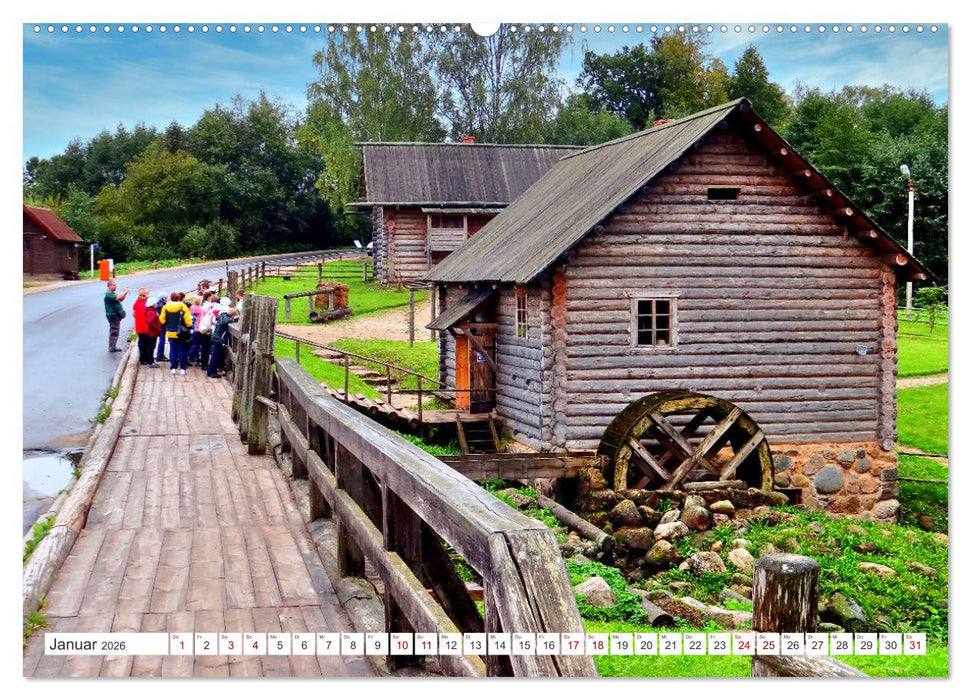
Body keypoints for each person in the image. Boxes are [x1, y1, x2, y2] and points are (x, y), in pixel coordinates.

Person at [159, 292, 193, 375]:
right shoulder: (182, 306)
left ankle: (173, 368)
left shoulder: (165, 307)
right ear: (178, 298)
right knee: (182, 350)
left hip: (170, 331)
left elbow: (162, 320)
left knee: (172, 350)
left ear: (171, 298)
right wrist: (189, 325)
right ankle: (182, 368)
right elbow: (188, 321)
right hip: (181, 332)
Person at [207, 306, 238, 378]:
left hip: (216, 338)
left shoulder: (222, 316)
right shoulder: (225, 318)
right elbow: (227, 320)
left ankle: (213, 370)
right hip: (219, 339)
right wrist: (235, 320)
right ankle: (211, 372)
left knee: (216, 355)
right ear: (232, 315)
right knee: (215, 356)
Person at [104, 280, 129, 352]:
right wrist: (124, 292)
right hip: (112, 315)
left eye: (115, 285)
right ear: (109, 286)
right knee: (114, 331)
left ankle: (113, 346)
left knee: (115, 330)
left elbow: (121, 299)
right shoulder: (108, 294)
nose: (115, 286)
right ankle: (112, 347)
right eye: (113, 285)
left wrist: (125, 293)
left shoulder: (112, 293)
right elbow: (118, 297)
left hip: (115, 315)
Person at [132, 288, 155, 366]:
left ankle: (142, 358)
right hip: (145, 327)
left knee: (141, 343)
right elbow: (145, 317)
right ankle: (145, 358)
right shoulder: (144, 304)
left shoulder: (137, 302)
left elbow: (134, 313)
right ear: (145, 295)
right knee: (146, 344)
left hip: (139, 326)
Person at [187, 296, 206, 366]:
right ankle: (198, 359)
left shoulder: (191, 308)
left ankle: (192, 358)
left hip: (192, 328)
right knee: (200, 345)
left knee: (194, 344)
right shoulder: (202, 309)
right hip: (200, 328)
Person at [144, 297, 162, 367]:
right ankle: (150, 362)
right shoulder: (151, 312)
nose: (157, 304)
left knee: (151, 346)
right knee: (151, 347)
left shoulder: (150, 310)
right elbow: (151, 322)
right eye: (155, 303)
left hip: (151, 331)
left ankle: (150, 360)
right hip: (152, 332)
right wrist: (158, 328)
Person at [154, 295, 168, 362]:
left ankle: (159, 354)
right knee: (162, 340)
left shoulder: (157, 304)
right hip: (161, 325)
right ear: (163, 299)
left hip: (156, 325)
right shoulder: (162, 306)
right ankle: (160, 355)